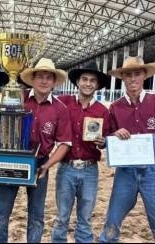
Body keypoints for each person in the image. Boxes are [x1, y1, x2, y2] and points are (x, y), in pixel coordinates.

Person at [0, 58, 72, 243]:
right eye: (40, 76)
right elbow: (0, 123)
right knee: (2, 212)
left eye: (48, 77)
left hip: (40, 164)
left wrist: (47, 166)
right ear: (33, 80)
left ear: (53, 81)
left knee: (36, 216)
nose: (44, 81)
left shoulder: (60, 109)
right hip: (12, 159)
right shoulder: (16, 97)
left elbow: (65, 143)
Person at [51, 61, 111, 243]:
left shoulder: (103, 111)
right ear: (77, 82)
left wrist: (103, 143)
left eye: (93, 80)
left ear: (98, 85)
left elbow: (106, 139)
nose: (88, 83)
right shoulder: (63, 103)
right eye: (84, 79)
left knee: (85, 218)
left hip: (90, 170)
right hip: (66, 168)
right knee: (62, 217)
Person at [99, 56, 155, 242]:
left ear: (144, 76)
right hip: (125, 172)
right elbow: (104, 140)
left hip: (152, 172)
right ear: (122, 78)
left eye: (137, 74)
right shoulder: (115, 107)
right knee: (112, 220)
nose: (133, 79)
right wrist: (114, 135)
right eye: (128, 75)